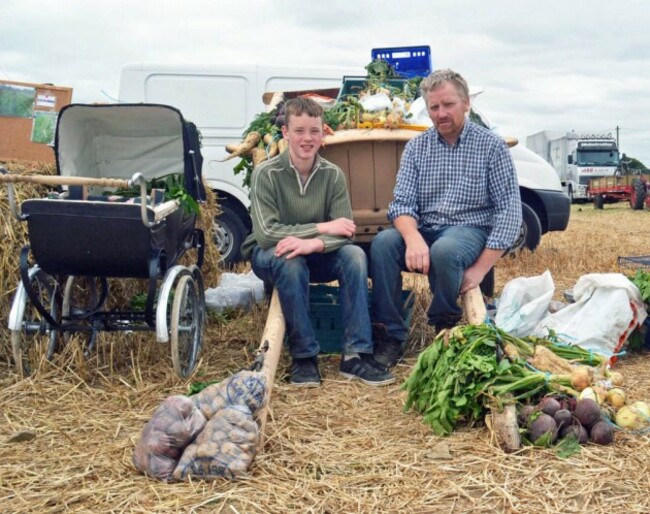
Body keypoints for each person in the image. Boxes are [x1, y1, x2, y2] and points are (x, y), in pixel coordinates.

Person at [370, 68, 522, 368]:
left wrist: (479, 269)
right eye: (434, 107)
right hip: (426, 228)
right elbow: (400, 205)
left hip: (469, 229)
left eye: (448, 104)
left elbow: (509, 213)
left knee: (445, 250)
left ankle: (444, 325)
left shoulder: (491, 147)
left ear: (466, 103)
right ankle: (392, 334)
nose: (441, 113)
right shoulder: (416, 148)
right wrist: (412, 238)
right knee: (383, 245)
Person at [241, 97, 395, 387]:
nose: (307, 138)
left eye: (314, 131)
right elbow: (267, 234)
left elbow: (346, 231)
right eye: (299, 131)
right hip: (271, 256)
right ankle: (304, 358)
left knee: (354, 256)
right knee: (290, 262)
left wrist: (313, 244)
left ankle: (355, 355)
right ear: (286, 133)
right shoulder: (266, 173)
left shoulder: (332, 175)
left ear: (323, 132)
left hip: (314, 253)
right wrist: (321, 228)